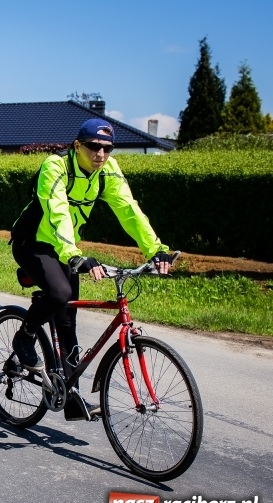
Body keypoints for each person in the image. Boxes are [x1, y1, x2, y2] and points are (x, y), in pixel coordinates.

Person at [9, 118, 173, 421]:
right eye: (94, 146)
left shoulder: (107, 171)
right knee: (60, 294)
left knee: (68, 320)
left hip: (66, 248)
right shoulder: (56, 166)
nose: (101, 153)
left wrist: (156, 249)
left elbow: (129, 210)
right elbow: (56, 211)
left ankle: (70, 395)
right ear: (77, 146)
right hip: (33, 242)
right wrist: (74, 255)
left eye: (107, 148)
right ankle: (25, 335)